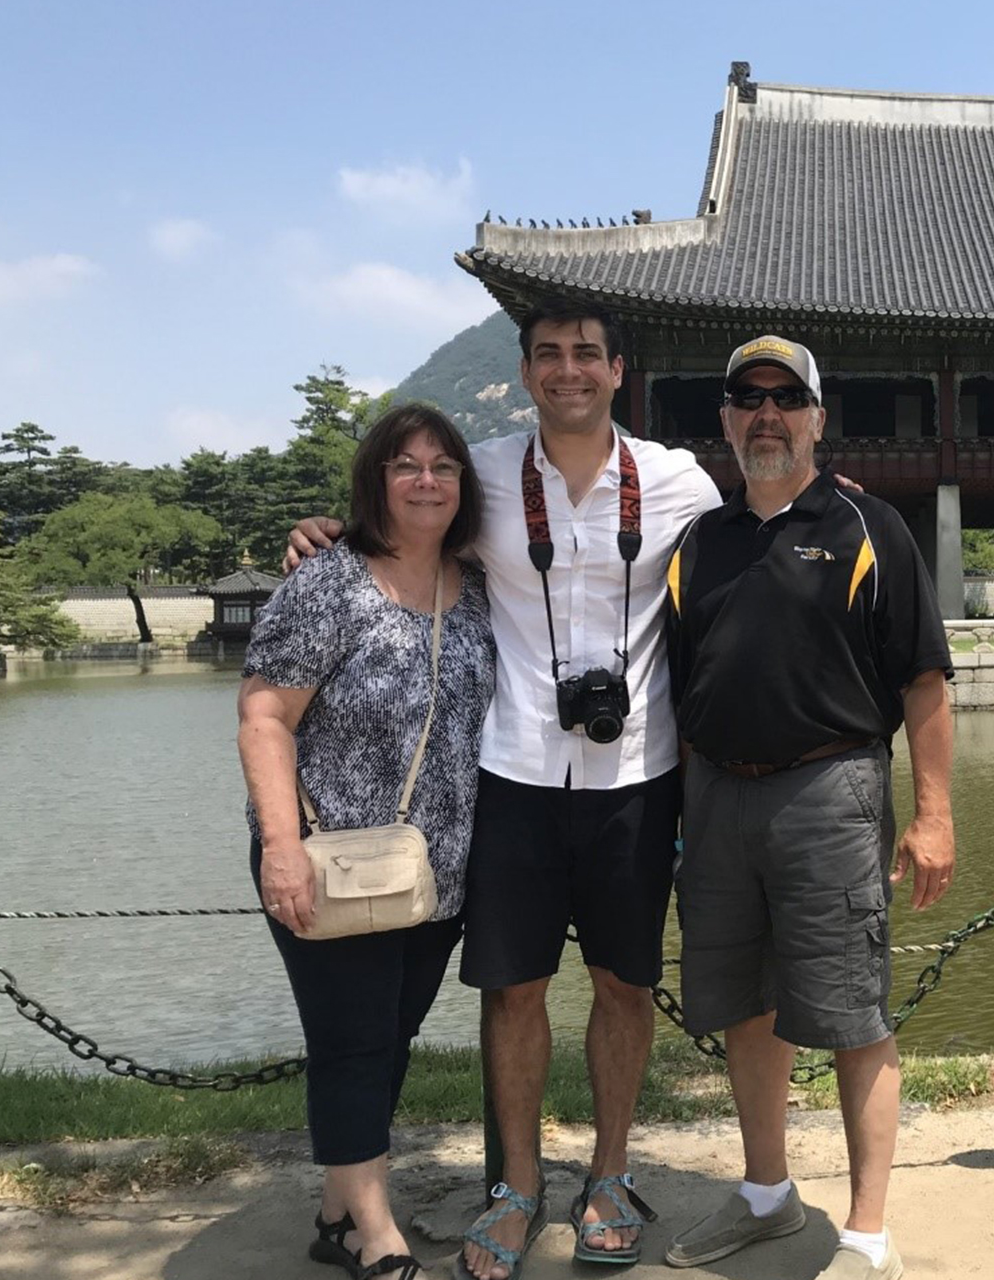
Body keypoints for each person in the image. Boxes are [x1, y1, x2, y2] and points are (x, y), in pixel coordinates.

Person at [290, 300, 721, 1279]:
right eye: (548, 355)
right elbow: (402, 525)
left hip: (637, 773)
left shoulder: (676, 480)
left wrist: (841, 503)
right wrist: (329, 531)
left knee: (623, 981)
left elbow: (754, 546)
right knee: (513, 987)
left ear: (620, 370)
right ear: (526, 372)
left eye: (586, 354)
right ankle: (516, 1187)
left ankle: (609, 1172)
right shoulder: (482, 472)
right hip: (512, 770)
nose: (567, 370)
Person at [660, 337, 955, 1280]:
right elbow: (676, 684)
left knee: (852, 1012)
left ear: (818, 418)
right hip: (714, 795)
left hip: (829, 789)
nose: (766, 415)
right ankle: (766, 1195)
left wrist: (934, 812)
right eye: (747, 399)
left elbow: (924, 678)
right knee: (747, 1009)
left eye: (786, 398)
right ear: (725, 422)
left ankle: (867, 1234)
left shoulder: (868, 527)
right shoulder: (700, 543)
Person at [240, 404, 495, 1280]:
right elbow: (265, 714)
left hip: (435, 871)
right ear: (375, 481)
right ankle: (374, 1234)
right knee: (351, 1042)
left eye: (444, 467)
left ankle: (335, 1207)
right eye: (406, 465)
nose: (427, 481)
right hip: (328, 860)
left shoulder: (477, 585)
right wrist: (279, 845)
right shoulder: (329, 581)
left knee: (388, 1039)